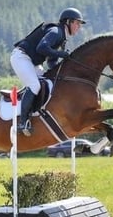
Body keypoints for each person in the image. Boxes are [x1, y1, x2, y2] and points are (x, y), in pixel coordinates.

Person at [10, 7, 86, 136]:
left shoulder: (61, 37)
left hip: (32, 62)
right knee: (34, 85)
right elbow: (41, 48)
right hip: (21, 57)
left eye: (79, 24)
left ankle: (37, 112)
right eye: (77, 23)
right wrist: (62, 54)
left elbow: (51, 61)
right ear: (68, 22)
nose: (79, 27)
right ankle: (23, 122)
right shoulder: (56, 32)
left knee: (48, 82)